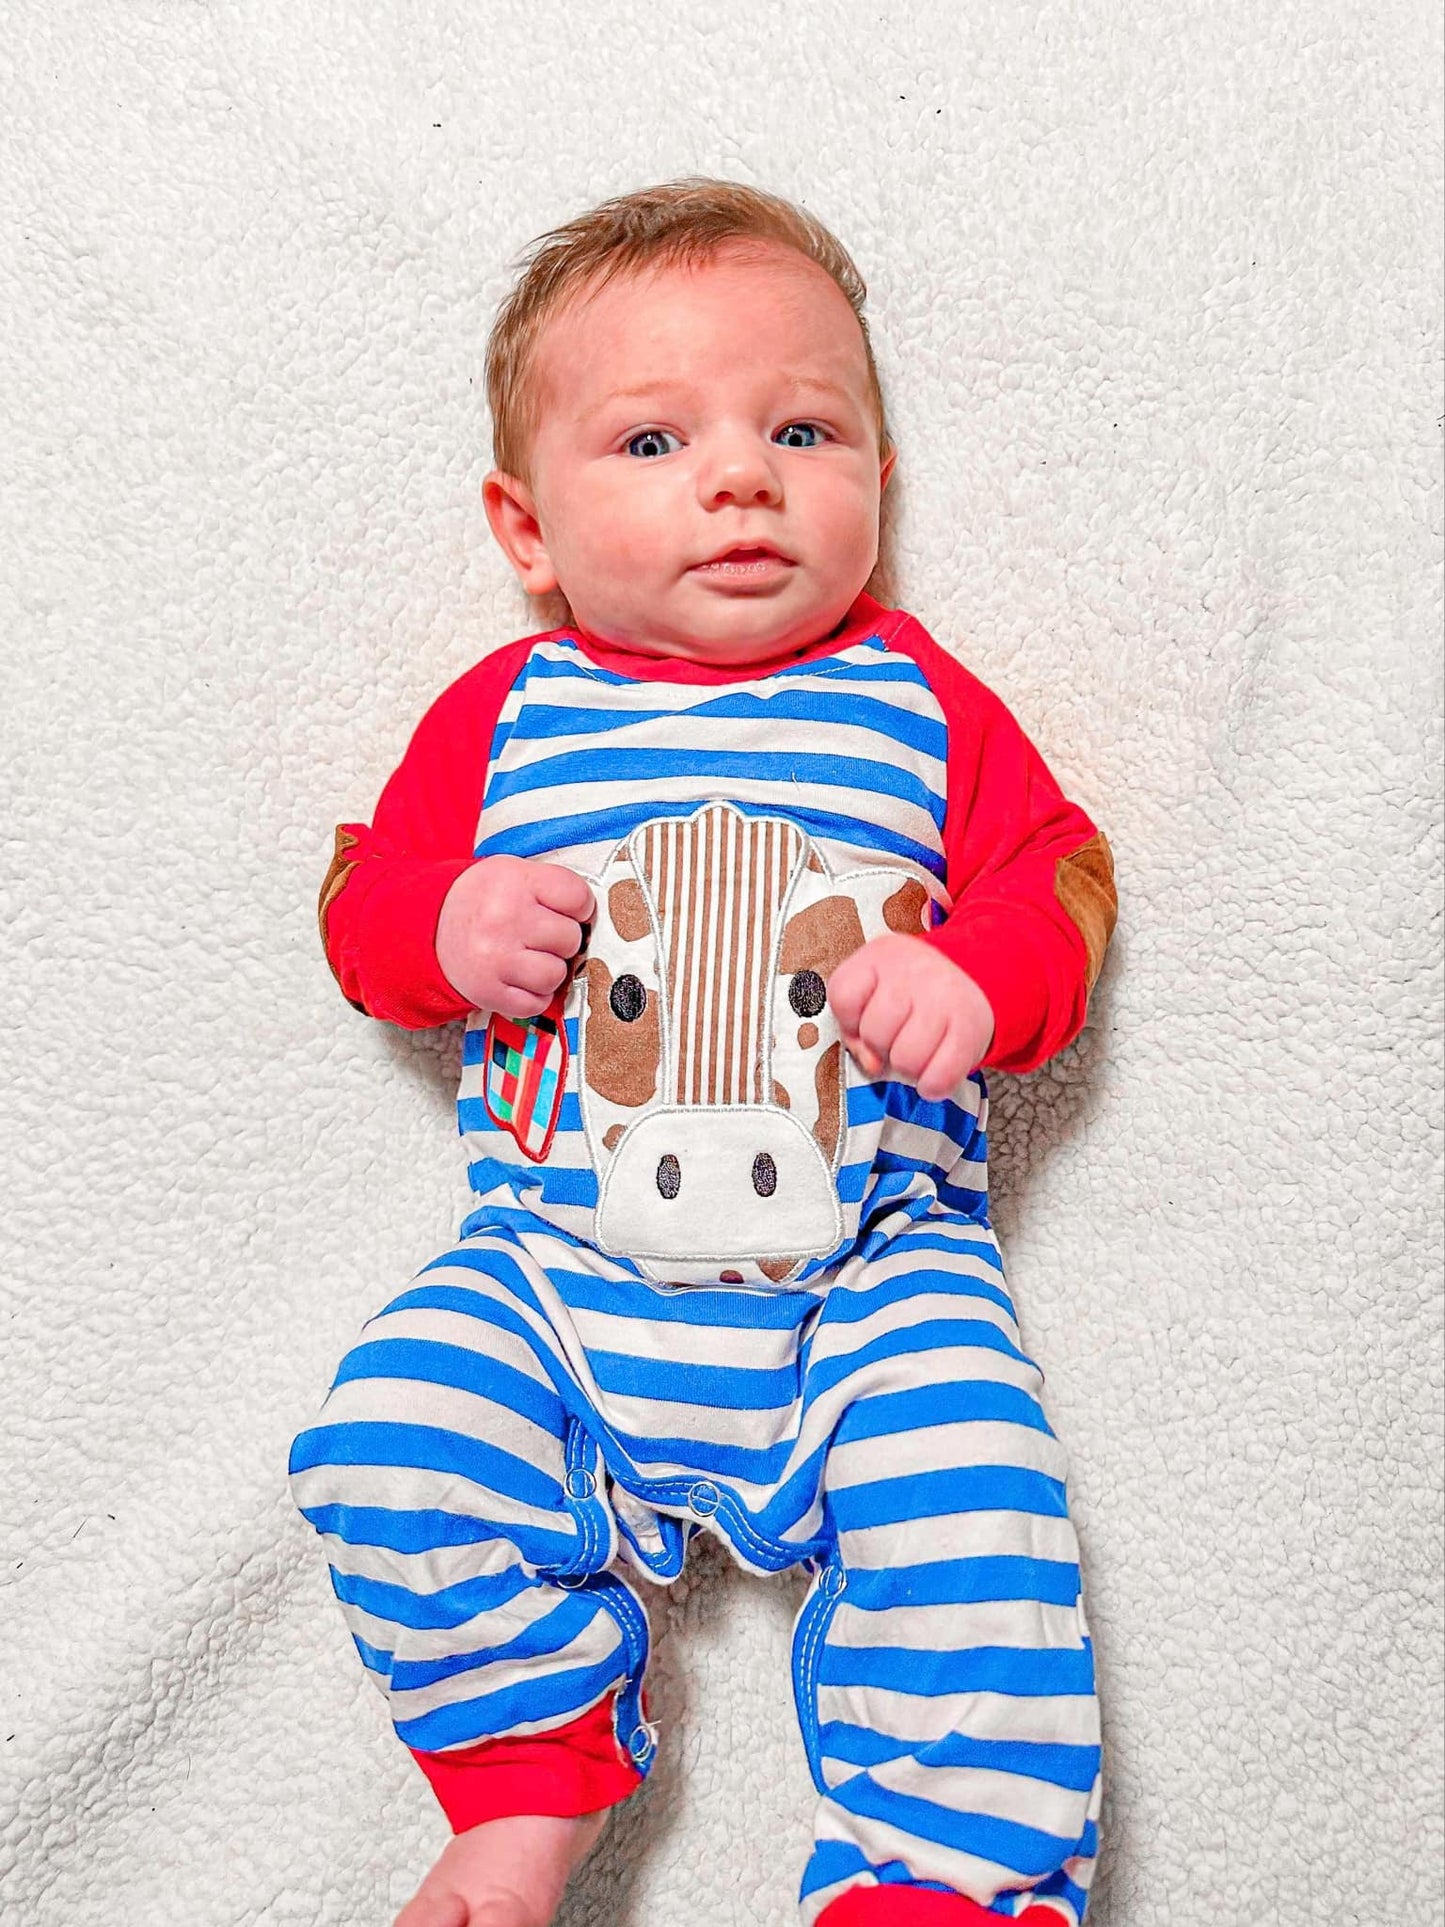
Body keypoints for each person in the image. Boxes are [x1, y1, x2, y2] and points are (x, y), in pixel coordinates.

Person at [288, 178, 1118, 1927]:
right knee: (394, 1438)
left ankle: (940, 1883)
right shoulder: (510, 714)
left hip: (874, 1277)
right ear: (528, 528)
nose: (739, 476)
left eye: (802, 428)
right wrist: (445, 933)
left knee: (977, 1531)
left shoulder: (917, 697)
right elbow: (367, 901)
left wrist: (977, 983)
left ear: (874, 486)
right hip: (556, 1269)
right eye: (652, 440)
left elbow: (1060, 873)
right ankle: (524, 1785)